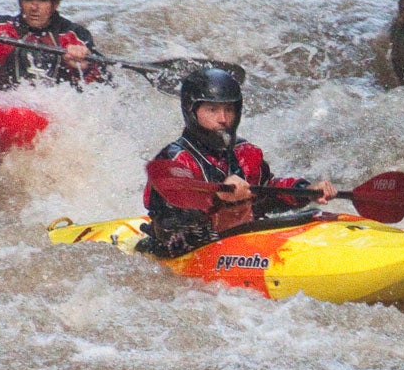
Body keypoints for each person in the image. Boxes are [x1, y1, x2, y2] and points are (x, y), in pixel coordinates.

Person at [138, 66, 332, 258]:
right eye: (212, 109)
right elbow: (169, 224)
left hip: (238, 246)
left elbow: (268, 192)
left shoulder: (245, 153)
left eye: (229, 109)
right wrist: (216, 197)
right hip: (185, 253)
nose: (223, 119)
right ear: (192, 111)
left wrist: (307, 191)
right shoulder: (173, 160)